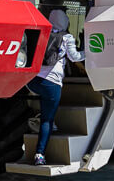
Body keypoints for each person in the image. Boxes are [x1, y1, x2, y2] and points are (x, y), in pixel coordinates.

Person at [26, 9, 84, 165]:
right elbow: (74, 57)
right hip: (51, 83)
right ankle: (39, 154)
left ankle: (41, 120)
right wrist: (89, 52)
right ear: (65, 21)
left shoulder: (42, 32)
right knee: (47, 120)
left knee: (45, 108)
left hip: (31, 80)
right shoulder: (67, 38)